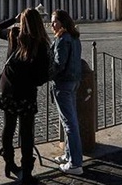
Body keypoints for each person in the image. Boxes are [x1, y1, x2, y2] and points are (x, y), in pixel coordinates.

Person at [0, 8, 51, 184]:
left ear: (22, 21)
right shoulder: (40, 43)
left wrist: (13, 18)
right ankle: (26, 171)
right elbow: (42, 75)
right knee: (26, 133)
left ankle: (9, 163)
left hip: (8, 91)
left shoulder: (13, 34)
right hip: (26, 93)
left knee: (8, 128)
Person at [50, 9, 84, 175]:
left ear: (62, 22)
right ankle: (69, 155)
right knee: (70, 121)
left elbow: (58, 64)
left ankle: (76, 163)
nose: (51, 24)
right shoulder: (75, 37)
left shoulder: (62, 39)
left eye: (54, 21)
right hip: (74, 81)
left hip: (63, 83)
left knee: (69, 124)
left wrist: (46, 74)